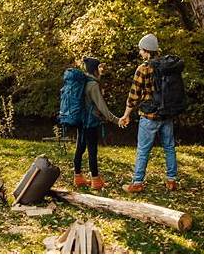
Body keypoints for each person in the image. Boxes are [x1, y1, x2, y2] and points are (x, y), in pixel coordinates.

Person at [120, 34, 178, 193]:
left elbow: (133, 95)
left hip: (149, 116)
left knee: (143, 149)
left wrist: (126, 115)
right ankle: (172, 180)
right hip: (166, 115)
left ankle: (137, 182)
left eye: (141, 50)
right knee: (169, 147)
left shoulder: (143, 68)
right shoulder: (167, 67)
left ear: (146, 51)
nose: (140, 53)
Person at [73, 57, 124, 190]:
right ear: (94, 69)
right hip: (90, 122)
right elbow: (102, 107)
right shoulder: (93, 85)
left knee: (80, 148)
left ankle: (77, 177)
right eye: (99, 67)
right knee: (92, 150)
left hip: (81, 120)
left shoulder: (83, 81)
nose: (101, 70)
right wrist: (116, 120)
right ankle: (95, 180)